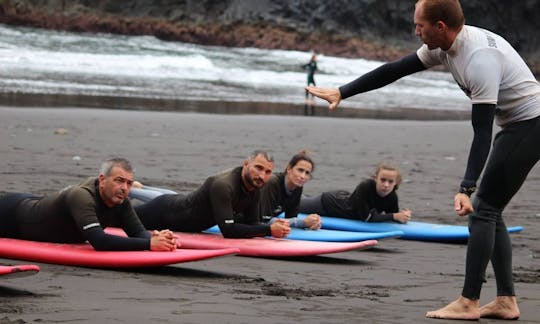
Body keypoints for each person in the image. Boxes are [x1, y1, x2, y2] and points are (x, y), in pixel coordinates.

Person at [306, 0, 540, 320]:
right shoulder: (444, 46)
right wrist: (342, 92)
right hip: (519, 127)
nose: (415, 30)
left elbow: (482, 132)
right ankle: (505, 300)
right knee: (491, 210)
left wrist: (466, 188)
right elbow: (396, 69)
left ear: (440, 26)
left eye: (420, 25)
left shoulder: (479, 60)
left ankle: (470, 301)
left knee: (483, 210)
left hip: (529, 126)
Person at [0, 157, 177, 251]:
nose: (124, 188)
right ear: (102, 180)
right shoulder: (82, 196)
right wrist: (149, 245)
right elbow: (99, 241)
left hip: (33, 204)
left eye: (129, 183)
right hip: (10, 214)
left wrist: (159, 239)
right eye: (119, 181)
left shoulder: (120, 200)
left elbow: (137, 232)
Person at [134, 150, 291, 239]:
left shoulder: (255, 185)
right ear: (245, 164)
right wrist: (269, 230)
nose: (262, 175)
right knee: (116, 217)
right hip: (162, 214)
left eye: (268, 172)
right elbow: (228, 231)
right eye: (258, 168)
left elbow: (252, 223)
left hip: (177, 215)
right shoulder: (223, 185)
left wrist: (272, 227)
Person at [298, 161, 411, 223]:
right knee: (293, 205)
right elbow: (366, 218)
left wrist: (404, 216)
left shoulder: (392, 196)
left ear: (396, 183)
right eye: (382, 180)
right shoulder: (365, 186)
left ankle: (304, 196)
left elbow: (392, 216)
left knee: (304, 199)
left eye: (390, 182)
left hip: (344, 199)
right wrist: (395, 216)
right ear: (375, 178)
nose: (386, 185)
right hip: (327, 204)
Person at [259, 150, 322, 230]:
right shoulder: (272, 182)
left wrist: (313, 222)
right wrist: (303, 222)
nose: (303, 176)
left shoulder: (297, 187)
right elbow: (264, 221)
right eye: (300, 170)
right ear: (289, 168)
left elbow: (291, 218)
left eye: (307, 173)